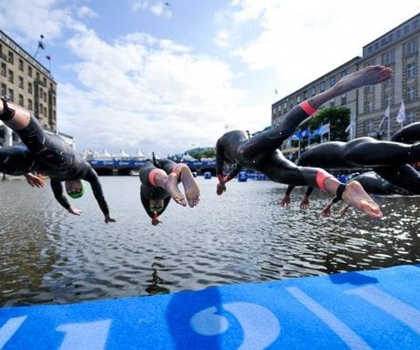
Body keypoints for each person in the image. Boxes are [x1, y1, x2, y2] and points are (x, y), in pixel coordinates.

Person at [216, 66, 394, 219]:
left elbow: (219, 166)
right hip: (264, 162)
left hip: (250, 149)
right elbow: (234, 170)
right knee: (297, 175)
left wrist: (220, 180)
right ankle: (345, 190)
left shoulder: (223, 145)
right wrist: (224, 182)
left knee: (283, 130)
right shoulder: (236, 163)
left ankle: (337, 89)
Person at [0, 97, 115, 223]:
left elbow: (59, 196)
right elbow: (99, 195)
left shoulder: (56, 180)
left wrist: (27, 173)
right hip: (57, 152)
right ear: (81, 184)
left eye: (71, 193)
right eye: (77, 190)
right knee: (39, 143)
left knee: (10, 167)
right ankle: (3, 107)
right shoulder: (86, 172)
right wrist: (106, 214)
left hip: (31, 159)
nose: (72, 190)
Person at [282, 122, 420, 214]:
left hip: (357, 153)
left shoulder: (304, 159)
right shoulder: (311, 163)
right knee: (416, 184)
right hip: (366, 159)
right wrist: (305, 197)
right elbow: (308, 179)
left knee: (412, 152)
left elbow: (296, 177)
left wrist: (288, 195)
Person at [139, 157, 200, 225]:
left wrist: (153, 217)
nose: (156, 205)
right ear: (163, 203)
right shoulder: (167, 195)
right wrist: (155, 217)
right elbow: (168, 198)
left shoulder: (147, 196)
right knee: (171, 170)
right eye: (159, 207)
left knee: (146, 175)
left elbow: (146, 206)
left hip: (153, 188)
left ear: (149, 203)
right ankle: (180, 170)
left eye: (154, 206)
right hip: (164, 189)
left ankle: (169, 178)